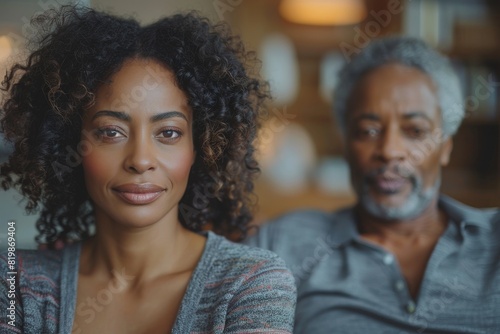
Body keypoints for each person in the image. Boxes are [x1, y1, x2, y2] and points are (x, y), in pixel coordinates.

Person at [0, 6, 296, 334]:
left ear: (201, 146)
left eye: (168, 133)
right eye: (111, 132)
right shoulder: (17, 285)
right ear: (68, 141)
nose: (140, 160)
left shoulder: (252, 283)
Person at [246, 36, 500, 333]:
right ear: (345, 145)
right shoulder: (284, 243)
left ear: (445, 147)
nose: (389, 150)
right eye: (368, 130)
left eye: (415, 130)